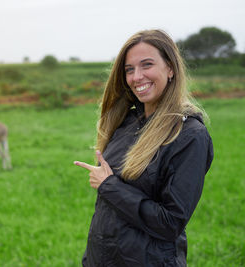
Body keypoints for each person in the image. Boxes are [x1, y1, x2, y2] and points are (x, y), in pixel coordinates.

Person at [74, 29, 214, 267]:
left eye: (146, 65)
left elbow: (170, 222)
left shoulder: (189, 135)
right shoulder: (126, 122)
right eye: (129, 69)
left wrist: (109, 186)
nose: (136, 76)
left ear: (170, 69)